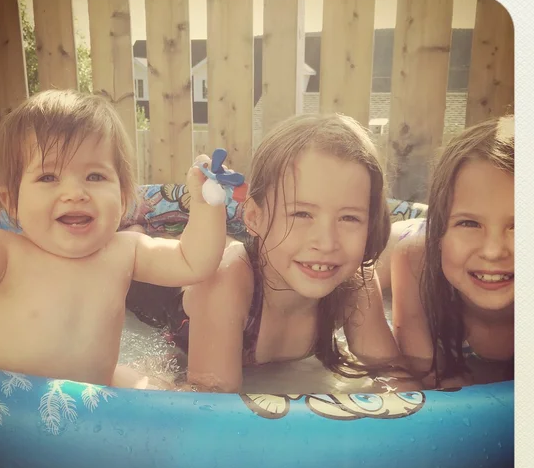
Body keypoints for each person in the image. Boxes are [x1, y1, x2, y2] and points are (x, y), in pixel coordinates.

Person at [0, 89, 226, 387]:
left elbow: (194, 262)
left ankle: (152, 372)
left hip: (96, 403)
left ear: (123, 199)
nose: (74, 194)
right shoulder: (0, 252)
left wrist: (205, 203)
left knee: (165, 391)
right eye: (48, 177)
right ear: (11, 203)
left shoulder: (125, 251)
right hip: (15, 411)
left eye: (95, 176)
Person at [130, 113, 409, 393]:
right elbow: (213, 405)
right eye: (301, 214)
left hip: (248, 259)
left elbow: (391, 374)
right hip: (160, 294)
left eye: (349, 218)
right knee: (136, 251)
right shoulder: (226, 286)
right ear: (253, 216)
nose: (326, 243)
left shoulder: (355, 283)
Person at [391, 115, 514, 388]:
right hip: (409, 238)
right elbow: (425, 377)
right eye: (469, 222)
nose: (493, 251)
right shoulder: (413, 260)